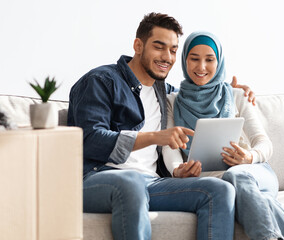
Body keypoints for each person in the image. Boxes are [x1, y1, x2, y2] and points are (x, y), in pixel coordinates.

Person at [67, 13, 255, 240]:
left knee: (219, 190)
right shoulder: (101, 81)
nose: (167, 57)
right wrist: (156, 137)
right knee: (131, 182)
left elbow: (200, 90)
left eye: (174, 50)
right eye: (159, 47)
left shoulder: (164, 92)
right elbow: (89, 140)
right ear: (138, 45)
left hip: (152, 183)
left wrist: (230, 90)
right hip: (98, 179)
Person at [163, 31, 284, 240]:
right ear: (185, 61)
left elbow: (264, 143)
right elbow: (169, 146)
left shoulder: (237, 95)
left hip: (254, 173)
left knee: (236, 175)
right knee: (266, 203)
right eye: (194, 59)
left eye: (209, 60)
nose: (201, 67)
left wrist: (249, 157)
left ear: (219, 62)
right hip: (210, 182)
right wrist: (177, 171)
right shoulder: (173, 101)